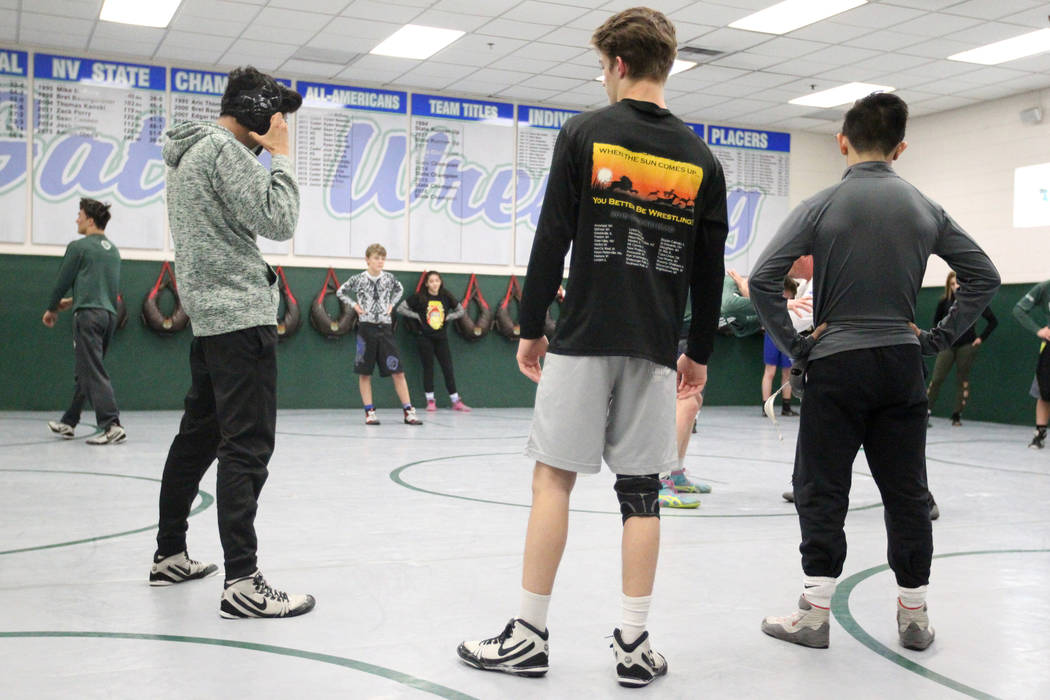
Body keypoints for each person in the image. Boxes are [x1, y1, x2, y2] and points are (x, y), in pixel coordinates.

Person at [456, 7, 728, 688]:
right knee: (642, 494)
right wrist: (697, 349)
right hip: (656, 345)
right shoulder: (702, 160)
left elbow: (553, 238)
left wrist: (531, 327)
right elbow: (709, 268)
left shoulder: (583, 133)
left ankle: (528, 635)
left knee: (554, 477)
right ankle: (635, 646)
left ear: (618, 65)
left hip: (582, 341)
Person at [750, 92, 999, 652]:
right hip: (900, 365)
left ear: (842, 142)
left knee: (820, 487)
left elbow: (765, 278)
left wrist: (798, 347)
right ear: (901, 147)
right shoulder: (925, 208)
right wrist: (934, 340)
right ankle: (914, 616)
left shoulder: (821, 205)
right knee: (907, 492)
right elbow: (984, 277)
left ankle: (814, 614)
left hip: (836, 363)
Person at [150, 66, 315, 619]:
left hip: (209, 320)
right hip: (241, 321)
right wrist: (282, 157)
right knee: (246, 448)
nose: (279, 126)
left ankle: (169, 552)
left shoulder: (191, 153)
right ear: (258, 114)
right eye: (277, 118)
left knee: (197, 439)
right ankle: (243, 580)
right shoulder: (227, 152)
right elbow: (280, 217)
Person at [42, 198, 125, 445]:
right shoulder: (113, 251)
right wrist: (73, 300)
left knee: (93, 371)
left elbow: (62, 280)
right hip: (108, 316)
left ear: (90, 220)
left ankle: (111, 425)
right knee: (86, 371)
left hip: (88, 317)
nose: (76, 219)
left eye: (79, 215)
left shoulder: (80, 247)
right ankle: (69, 422)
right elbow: (104, 289)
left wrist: (51, 307)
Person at [338, 244, 422, 425]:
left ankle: (409, 411)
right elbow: (340, 292)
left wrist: (391, 304)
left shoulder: (390, 279)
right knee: (365, 373)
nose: (380, 262)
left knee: (398, 371)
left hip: (385, 329)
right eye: (376, 258)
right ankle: (370, 412)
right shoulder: (358, 279)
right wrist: (354, 306)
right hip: (365, 329)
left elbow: (399, 290)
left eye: (383, 258)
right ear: (367, 259)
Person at [926, 270, 997, 426]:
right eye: (952, 284)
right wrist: (939, 340)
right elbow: (935, 323)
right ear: (948, 285)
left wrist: (980, 338)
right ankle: (926, 412)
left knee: (962, 379)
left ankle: (957, 414)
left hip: (966, 344)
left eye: (958, 283)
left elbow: (993, 321)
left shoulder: (973, 302)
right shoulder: (944, 302)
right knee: (937, 378)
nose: (955, 286)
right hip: (947, 345)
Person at [395, 270, 471, 412]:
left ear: (440, 282)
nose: (434, 284)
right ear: (426, 283)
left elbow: (461, 310)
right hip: (424, 337)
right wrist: (416, 315)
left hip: (441, 338)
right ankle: (430, 401)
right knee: (428, 368)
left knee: (447, 368)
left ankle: (456, 401)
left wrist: (449, 317)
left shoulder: (446, 296)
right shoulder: (419, 297)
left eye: (437, 280)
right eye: (431, 281)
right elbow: (401, 308)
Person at [1013, 279, 1050, 449]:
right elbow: (1019, 309)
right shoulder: (1044, 288)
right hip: (1048, 350)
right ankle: (1040, 433)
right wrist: (1038, 330)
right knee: (1043, 391)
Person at [761, 276, 800, 417]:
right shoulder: (772, 298)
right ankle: (766, 406)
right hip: (772, 335)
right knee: (770, 371)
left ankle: (786, 406)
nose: (790, 298)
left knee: (787, 372)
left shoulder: (792, 301)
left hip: (787, 335)